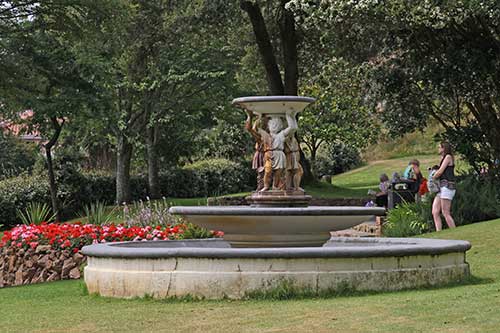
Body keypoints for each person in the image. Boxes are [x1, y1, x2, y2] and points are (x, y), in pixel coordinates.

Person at [432, 142, 457, 231]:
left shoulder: (448, 157)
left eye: (439, 147)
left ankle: (454, 231)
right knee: (435, 211)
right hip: (441, 187)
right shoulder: (442, 158)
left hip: (447, 186)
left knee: (445, 212)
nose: (438, 149)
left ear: (444, 148)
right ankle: (439, 231)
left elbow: (440, 171)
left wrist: (433, 176)